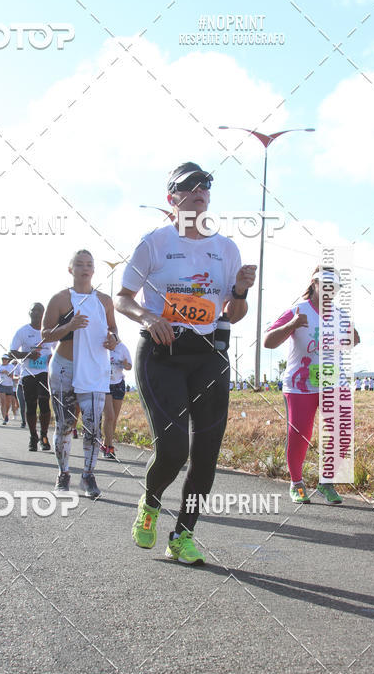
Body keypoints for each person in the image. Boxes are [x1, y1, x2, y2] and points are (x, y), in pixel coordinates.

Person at [115, 162, 256, 566]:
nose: (199, 191)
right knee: (174, 448)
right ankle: (151, 501)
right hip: (162, 354)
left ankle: (183, 534)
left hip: (209, 355)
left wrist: (241, 292)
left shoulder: (226, 249)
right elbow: (122, 298)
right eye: (189, 186)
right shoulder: (154, 243)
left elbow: (234, 310)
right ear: (172, 199)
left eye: (205, 186)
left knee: (207, 454)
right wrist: (149, 317)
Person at [264, 265, 360, 505]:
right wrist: (293, 325)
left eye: (334, 287)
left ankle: (327, 482)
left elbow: (354, 339)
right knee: (300, 435)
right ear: (314, 285)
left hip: (333, 381)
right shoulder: (298, 310)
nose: (329, 291)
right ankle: (296, 483)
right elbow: (268, 341)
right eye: (324, 285)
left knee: (342, 433)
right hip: (300, 384)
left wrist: (347, 337)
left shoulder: (340, 314)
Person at [42, 249, 118, 498]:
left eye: (89, 264)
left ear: (94, 270)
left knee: (93, 426)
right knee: (65, 424)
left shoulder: (105, 301)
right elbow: (46, 335)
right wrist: (70, 326)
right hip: (65, 365)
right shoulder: (60, 299)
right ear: (70, 269)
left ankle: (88, 475)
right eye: (79, 264)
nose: (85, 268)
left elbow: (114, 331)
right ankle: (63, 473)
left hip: (95, 368)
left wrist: (112, 340)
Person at [11, 303, 54, 452]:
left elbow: (57, 350)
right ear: (29, 313)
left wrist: (51, 357)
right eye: (33, 311)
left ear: (44, 314)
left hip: (44, 372)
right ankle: (32, 436)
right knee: (31, 405)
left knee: (44, 401)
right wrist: (28, 355)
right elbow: (12, 352)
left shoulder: (49, 332)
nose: (36, 313)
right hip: (28, 373)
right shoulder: (23, 331)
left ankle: (44, 436)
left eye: (39, 311)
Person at [102, 340, 132, 459]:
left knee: (114, 418)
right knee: (109, 416)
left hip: (119, 383)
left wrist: (125, 364)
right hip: (105, 383)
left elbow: (129, 366)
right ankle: (109, 447)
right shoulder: (102, 345)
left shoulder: (122, 348)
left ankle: (106, 444)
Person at [0, 354, 17, 424]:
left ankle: (6, 413)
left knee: (8, 403)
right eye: (2, 359)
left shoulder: (11, 366)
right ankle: (4, 418)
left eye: (5, 359)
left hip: (9, 385)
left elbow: (13, 377)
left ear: (8, 360)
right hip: (1, 385)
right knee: (3, 401)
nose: (3, 360)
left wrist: (7, 373)